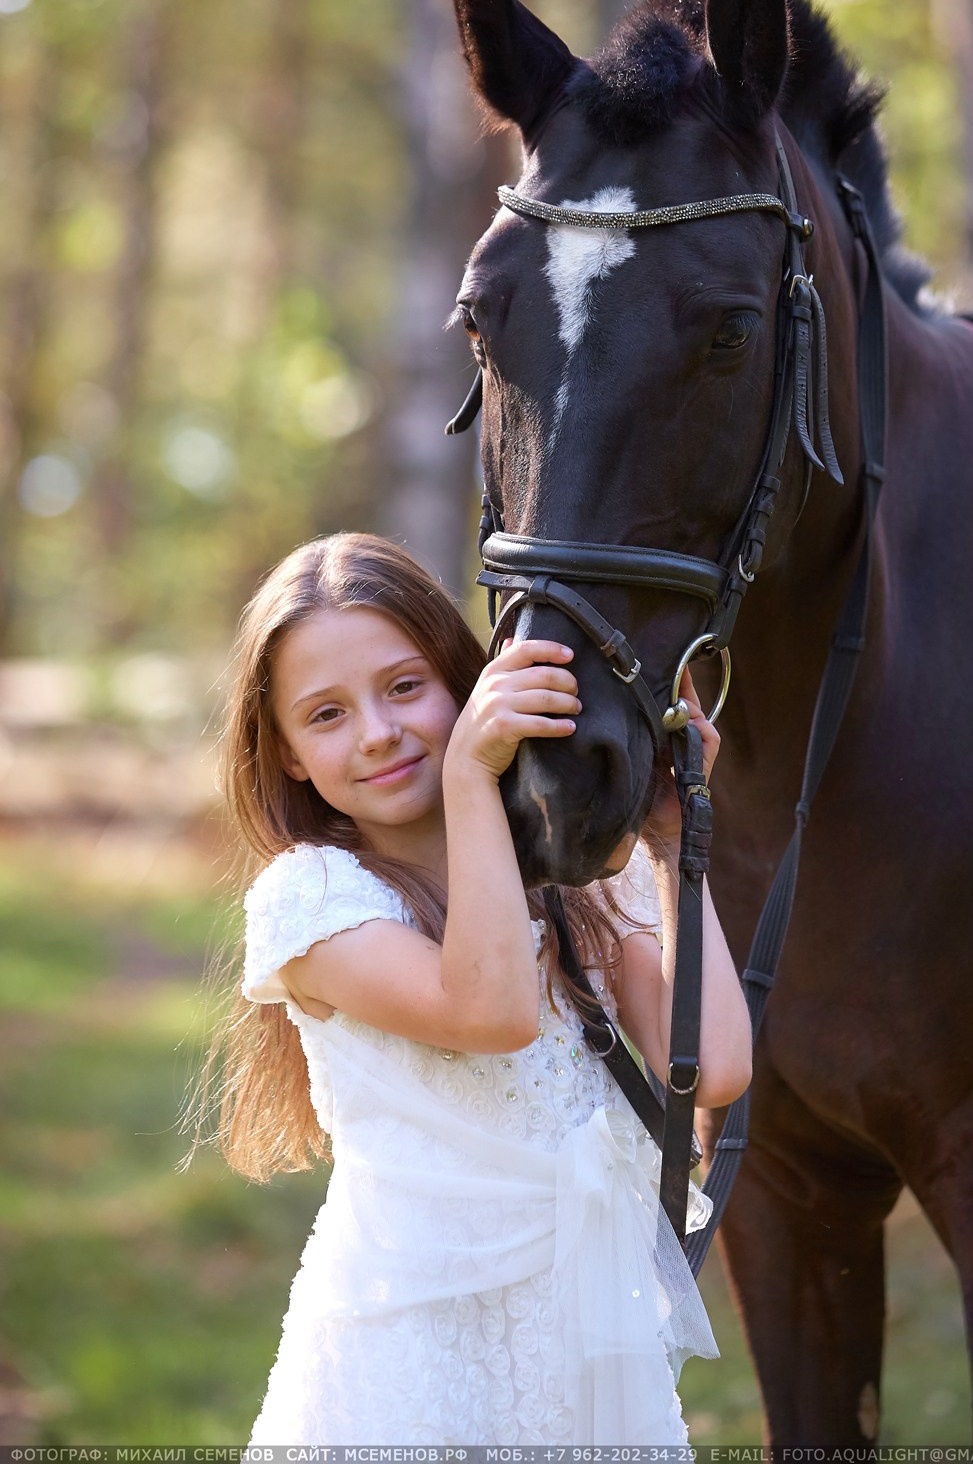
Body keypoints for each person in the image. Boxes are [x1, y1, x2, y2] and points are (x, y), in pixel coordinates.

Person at [200, 530, 751, 1446]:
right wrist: (467, 769)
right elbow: (487, 1011)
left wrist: (666, 846)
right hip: (412, 1349)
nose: (377, 732)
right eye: (326, 715)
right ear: (288, 752)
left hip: (579, 1340)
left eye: (405, 686)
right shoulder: (311, 901)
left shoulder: (572, 872)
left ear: (465, 680)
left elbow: (715, 1064)